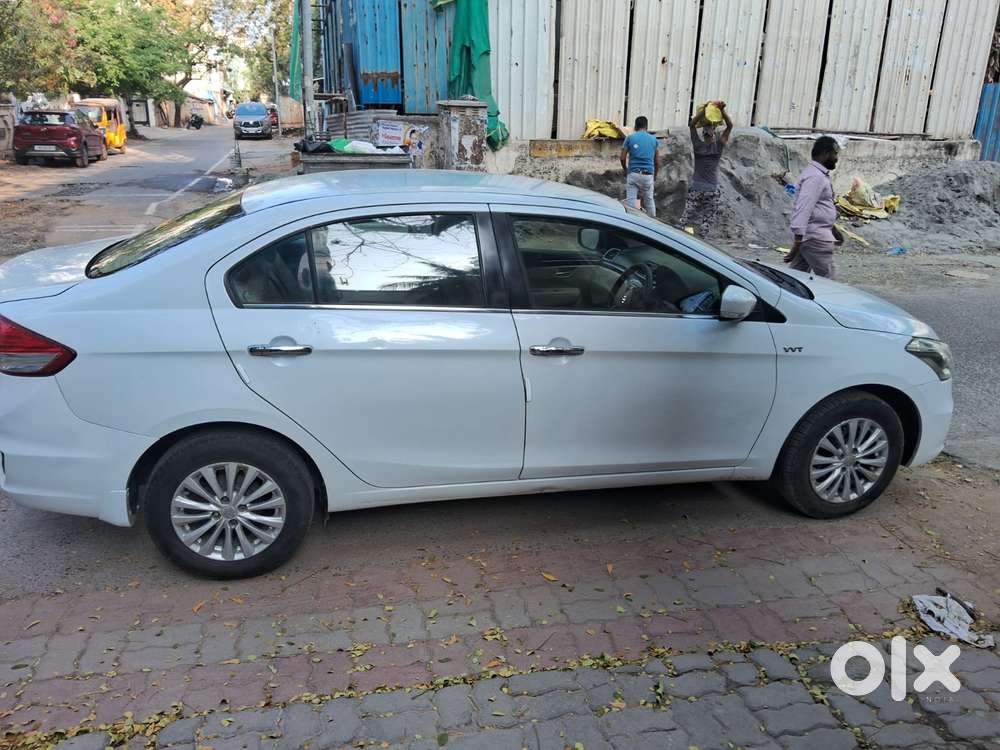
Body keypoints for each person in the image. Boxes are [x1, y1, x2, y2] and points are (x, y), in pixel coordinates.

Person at [785, 136, 843, 279]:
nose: (836, 158)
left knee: (796, 280)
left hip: (810, 237)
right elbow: (804, 208)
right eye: (834, 154)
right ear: (825, 153)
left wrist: (833, 229)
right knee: (830, 282)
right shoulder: (815, 178)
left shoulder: (817, 175)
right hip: (815, 240)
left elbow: (818, 209)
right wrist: (797, 244)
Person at [678, 101, 733, 235]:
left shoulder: (698, 146)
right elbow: (730, 126)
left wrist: (703, 111)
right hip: (712, 189)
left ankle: (677, 236)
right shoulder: (718, 147)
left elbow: (691, 126)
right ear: (714, 134)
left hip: (697, 187)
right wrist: (722, 110)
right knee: (707, 219)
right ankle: (702, 240)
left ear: (703, 134)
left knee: (685, 217)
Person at [620, 116, 659, 217]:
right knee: (649, 202)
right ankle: (653, 225)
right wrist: (655, 176)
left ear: (635, 126)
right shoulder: (654, 139)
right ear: (646, 126)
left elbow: (622, 158)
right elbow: (657, 162)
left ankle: (632, 225)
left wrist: (626, 170)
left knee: (631, 204)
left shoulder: (630, 138)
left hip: (633, 174)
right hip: (648, 175)